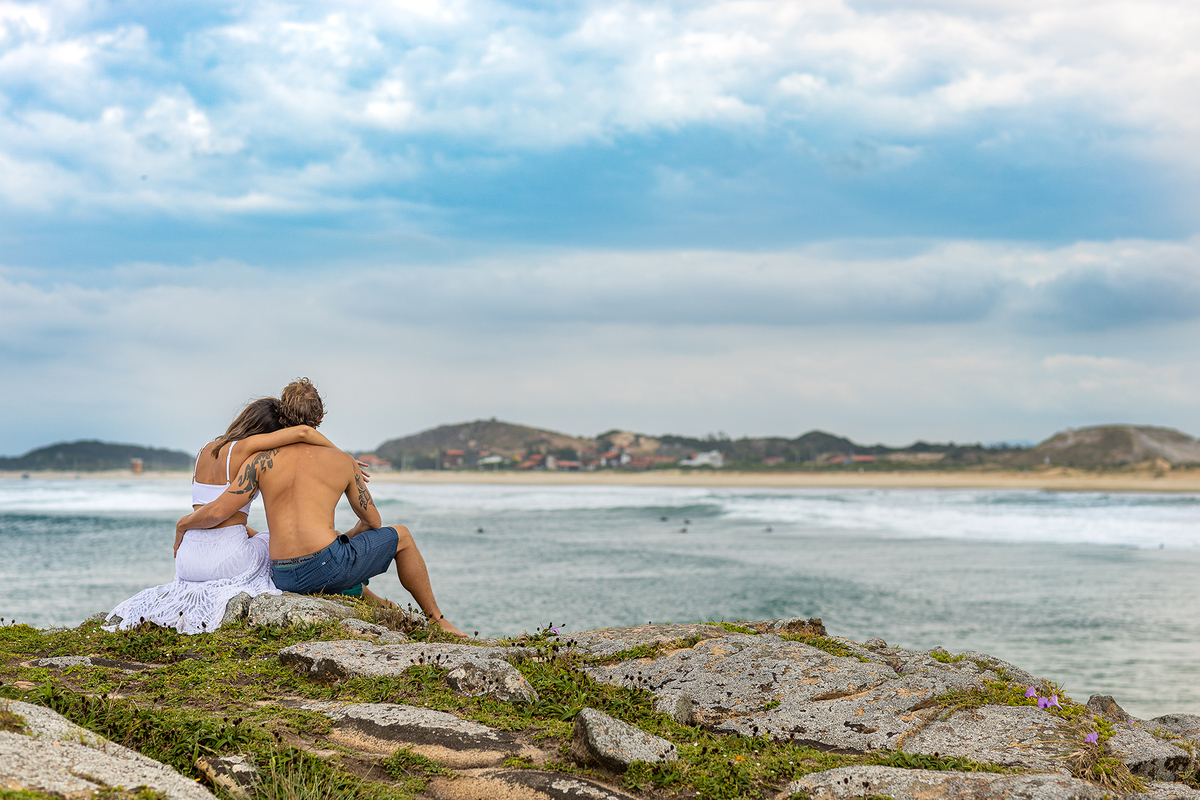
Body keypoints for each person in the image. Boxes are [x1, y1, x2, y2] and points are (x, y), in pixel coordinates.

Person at [177, 378, 466, 637]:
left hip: (284, 575)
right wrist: (351, 535)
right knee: (401, 536)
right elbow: (373, 522)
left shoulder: (258, 461)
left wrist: (185, 524)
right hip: (325, 566)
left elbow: (222, 510)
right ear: (319, 417)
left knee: (335, 550)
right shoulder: (341, 461)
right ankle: (437, 619)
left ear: (281, 417)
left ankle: (382, 604)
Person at [103, 396, 355, 634]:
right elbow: (303, 432)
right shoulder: (246, 448)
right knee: (290, 543)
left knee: (263, 536)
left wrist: (184, 526)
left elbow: (209, 512)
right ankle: (350, 583)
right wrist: (344, 460)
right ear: (267, 433)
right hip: (226, 560)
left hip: (188, 560)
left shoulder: (204, 450)